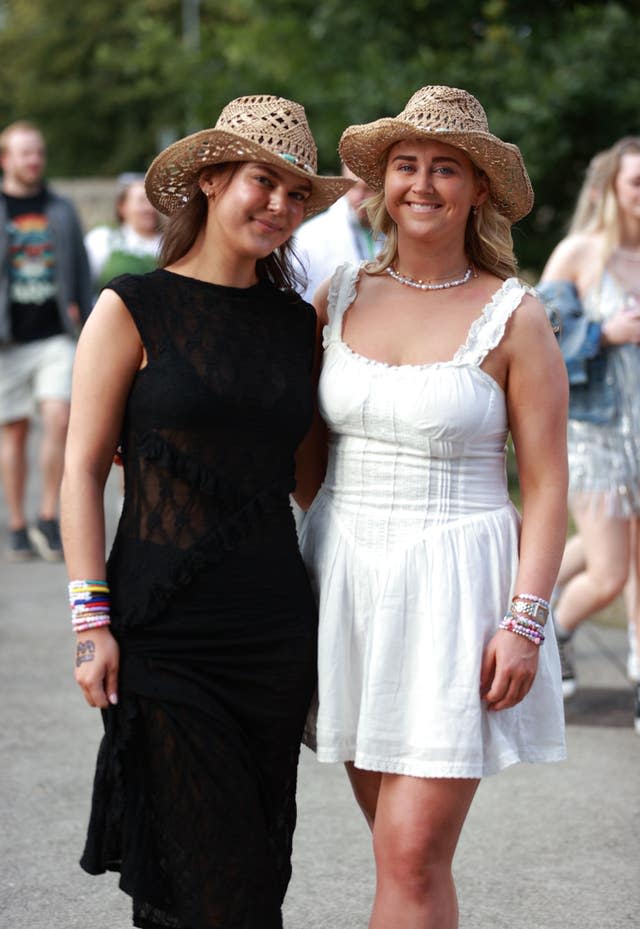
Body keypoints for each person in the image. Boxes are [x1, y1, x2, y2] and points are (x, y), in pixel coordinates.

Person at [60, 94, 352, 929]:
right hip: (160, 630)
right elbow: (80, 472)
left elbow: (312, 479)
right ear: (213, 179)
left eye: (299, 194)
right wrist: (91, 621)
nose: (282, 206)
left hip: (270, 633)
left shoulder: (298, 324)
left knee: (253, 872)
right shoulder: (131, 307)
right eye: (265, 181)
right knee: (202, 883)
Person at [295, 85, 568, 929]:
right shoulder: (334, 296)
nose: (422, 184)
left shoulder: (514, 316)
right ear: (379, 184)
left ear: (479, 189)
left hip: (458, 590)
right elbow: (301, 456)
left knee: (412, 853)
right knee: (396, 850)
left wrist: (524, 621)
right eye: (405, 166)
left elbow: (548, 483)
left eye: (445, 168)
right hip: (344, 582)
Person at [538, 136, 640, 730]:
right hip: (596, 432)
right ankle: (553, 628)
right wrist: (606, 333)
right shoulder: (580, 253)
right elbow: (542, 340)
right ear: (611, 191)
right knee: (609, 573)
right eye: (637, 183)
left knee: (630, 566)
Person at [0, 120, 92, 561]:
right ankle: (17, 523)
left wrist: (85, 317)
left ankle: (48, 514)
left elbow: (79, 268)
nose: (33, 160)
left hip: (56, 333)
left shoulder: (60, 208)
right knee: (13, 433)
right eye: (24, 153)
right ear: (6, 159)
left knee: (59, 418)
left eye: (38, 152)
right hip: (8, 341)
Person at [294, 164, 381, 302]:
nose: (358, 197)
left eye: (368, 189)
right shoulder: (310, 237)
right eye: (352, 187)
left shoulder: (397, 233)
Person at [84, 173, 162, 296]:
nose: (149, 208)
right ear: (122, 206)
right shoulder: (102, 239)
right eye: (142, 201)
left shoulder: (169, 244)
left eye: (153, 201)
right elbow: (82, 283)